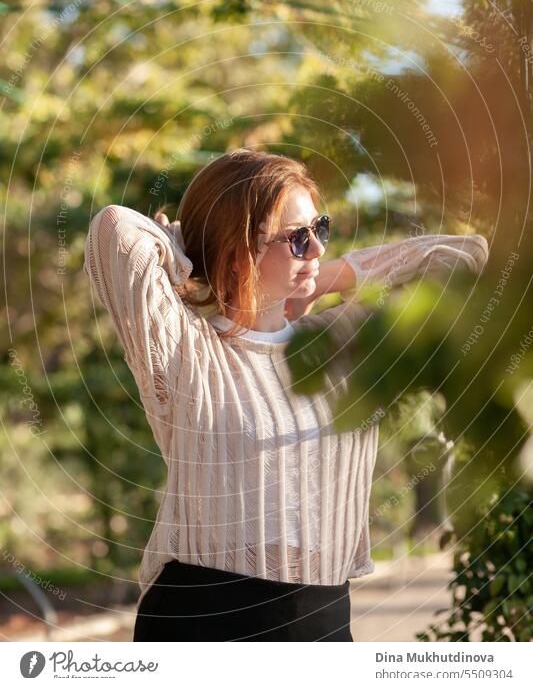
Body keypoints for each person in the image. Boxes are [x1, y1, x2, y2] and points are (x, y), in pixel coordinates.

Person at [83, 148, 489, 641]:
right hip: (203, 622)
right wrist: (189, 247)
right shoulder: (185, 351)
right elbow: (114, 230)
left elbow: (467, 260)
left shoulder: (343, 342)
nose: (316, 247)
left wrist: (327, 278)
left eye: (320, 228)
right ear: (238, 247)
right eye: (297, 238)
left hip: (323, 620)